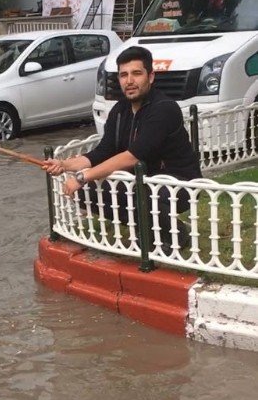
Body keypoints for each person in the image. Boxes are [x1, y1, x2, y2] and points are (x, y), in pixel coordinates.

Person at [44, 45, 201, 251]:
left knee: (138, 193)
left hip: (178, 183)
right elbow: (102, 152)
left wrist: (82, 176)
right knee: (87, 192)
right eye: (123, 75)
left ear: (150, 77)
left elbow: (131, 158)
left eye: (136, 73)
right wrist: (64, 165)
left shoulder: (164, 109)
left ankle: (176, 236)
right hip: (140, 181)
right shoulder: (119, 111)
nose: (129, 81)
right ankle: (147, 229)